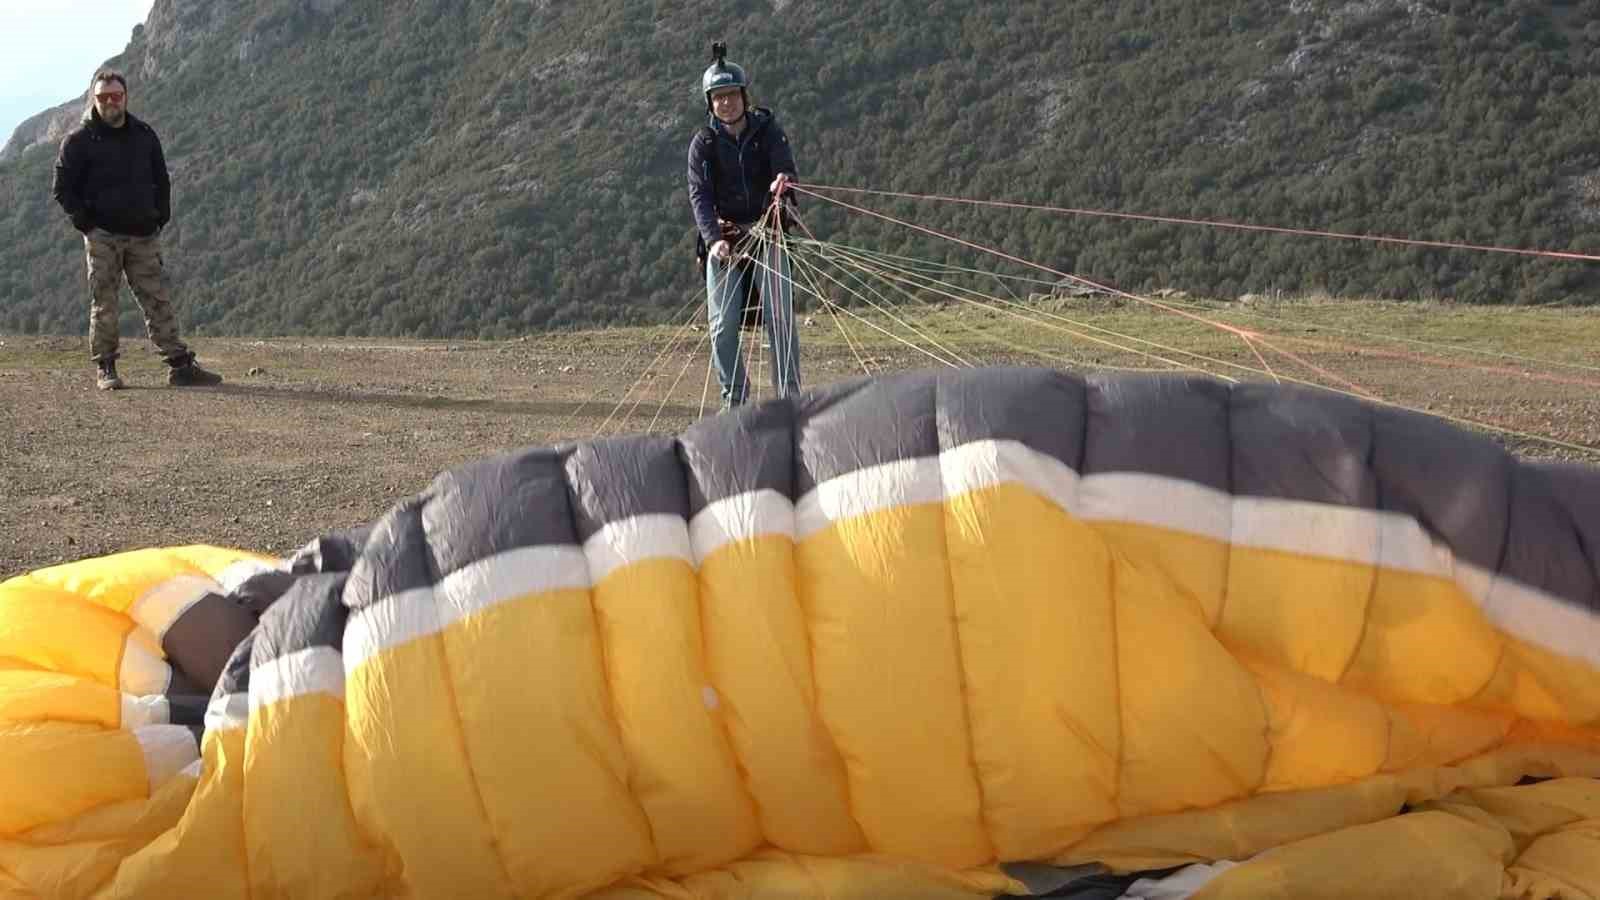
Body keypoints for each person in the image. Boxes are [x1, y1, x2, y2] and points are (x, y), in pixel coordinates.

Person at [51, 69, 222, 391]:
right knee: (105, 302)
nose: (110, 102)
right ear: (94, 99)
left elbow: (161, 177)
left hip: (144, 233)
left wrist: (161, 216)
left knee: (158, 299)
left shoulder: (143, 134)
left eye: (116, 95)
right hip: (103, 236)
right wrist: (87, 224)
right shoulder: (78, 141)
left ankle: (180, 367)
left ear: (126, 97)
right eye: (103, 97)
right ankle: (106, 368)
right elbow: (62, 189)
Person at [687, 42, 801, 410]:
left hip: (769, 235)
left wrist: (782, 179)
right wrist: (713, 239)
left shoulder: (768, 130)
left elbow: (785, 166)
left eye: (732, 95)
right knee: (721, 326)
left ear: (743, 95)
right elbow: (699, 196)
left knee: (780, 319)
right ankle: (734, 399)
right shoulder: (702, 145)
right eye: (718, 97)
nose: (726, 103)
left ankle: (789, 399)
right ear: (710, 103)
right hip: (727, 240)